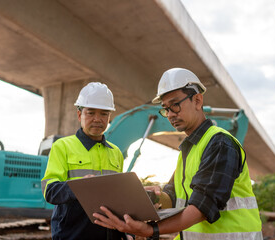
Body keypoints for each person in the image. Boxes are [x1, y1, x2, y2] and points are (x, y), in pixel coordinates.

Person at [93, 68, 263, 240]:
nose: (170, 114)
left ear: (197, 100)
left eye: (175, 105)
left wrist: (150, 230)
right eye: (166, 109)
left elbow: (203, 206)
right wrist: (153, 197)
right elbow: (174, 199)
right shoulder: (189, 150)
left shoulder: (219, 143)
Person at [41, 82, 131, 240]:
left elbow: (118, 199)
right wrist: (80, 186)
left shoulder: (116, 152)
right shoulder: (63, 146)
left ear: (109, 117)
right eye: (90, 113)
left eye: (104, 113)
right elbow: (50, 191)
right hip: (72, 234)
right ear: (79, 115)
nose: (97, 119)